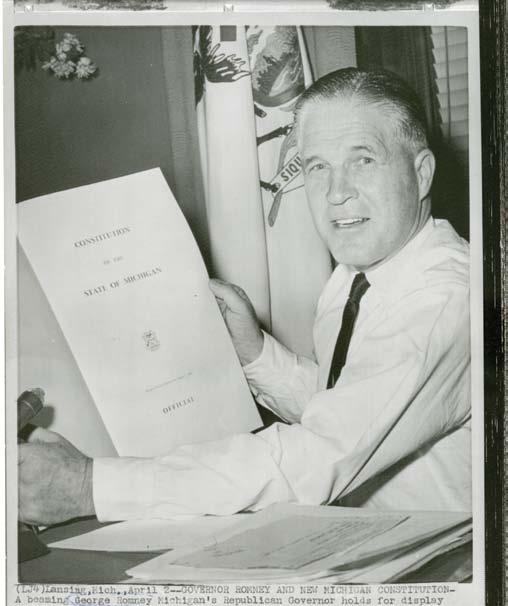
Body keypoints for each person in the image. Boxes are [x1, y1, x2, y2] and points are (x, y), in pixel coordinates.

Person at [18, 67, 471, 526]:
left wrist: (90, 487)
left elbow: (318, 458)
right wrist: (254, 353)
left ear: (422, 173)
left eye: (364, 160)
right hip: (371, 538)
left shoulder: (444, 298)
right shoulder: (358, 274)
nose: (337, 193)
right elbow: (349, 410)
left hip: (448, 555)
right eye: (318, 167)